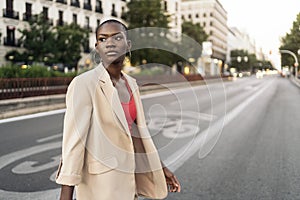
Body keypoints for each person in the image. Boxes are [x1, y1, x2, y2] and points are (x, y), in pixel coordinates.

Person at [55, 19, 181, 200]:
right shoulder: (84, 84)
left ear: (128, 45)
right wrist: (65, 197)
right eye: (103, 39)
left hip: (129, 183)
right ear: (97, 46)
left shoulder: (131, 84)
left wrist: (160, 167)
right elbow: (73, 144)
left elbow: (137, 136)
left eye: (117, 37)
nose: (110, 43)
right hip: (101, 187)